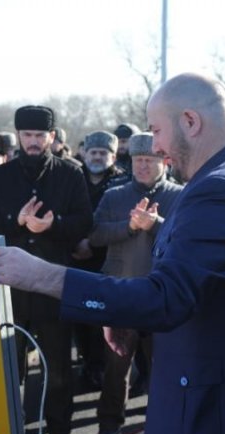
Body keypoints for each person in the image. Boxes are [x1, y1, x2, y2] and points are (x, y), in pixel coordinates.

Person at [0, 73, 225, 434]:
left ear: (190, 121)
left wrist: (41, 274)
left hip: (220, 413)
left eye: (156, 131)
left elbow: (168, 297)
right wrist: (128, 313)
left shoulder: (223, 189)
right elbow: (199, 284)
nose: (157, 146)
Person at [0, 106, 92, 434]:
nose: (34, 142)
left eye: (41, 136)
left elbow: (84, 222)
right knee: (11, 370)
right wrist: (18, 221)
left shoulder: (71, 174)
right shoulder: (0, 177)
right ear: (19, 137)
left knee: (57, 371)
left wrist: (51, 227)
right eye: (27, 135)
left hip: (52, 285)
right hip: (9, 289)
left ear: (52, 138)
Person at [88, 132, 183, 434]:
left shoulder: (180, 196)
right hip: (121, 294)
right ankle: (109, 426)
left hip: (162, 297)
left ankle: (164, 426)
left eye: (150, 160)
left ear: (163, 162)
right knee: (116, 369)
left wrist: (155, 224)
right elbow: (96, 234)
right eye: (138, 160)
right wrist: (129, 227)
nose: (143, 166)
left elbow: (187, 237)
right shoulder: (115, 196)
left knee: (163, 369)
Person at [70, 130, 128, 390]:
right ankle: (88, 364)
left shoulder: (122, 184)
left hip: (107, 260)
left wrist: (92, 244)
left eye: (103, 153)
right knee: (79, 320)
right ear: (84, 153)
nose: (97, 157)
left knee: (103, 321)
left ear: (113, 156)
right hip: (74, 258)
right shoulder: (73, 179)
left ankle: (104, 369)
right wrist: (76, 243)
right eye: (93, 152)